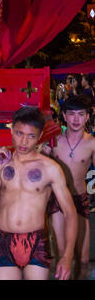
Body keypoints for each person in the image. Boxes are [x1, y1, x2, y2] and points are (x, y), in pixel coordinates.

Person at [0, 106, 77, 280]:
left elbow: (70, 213)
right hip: (4, 241)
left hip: (36, 243)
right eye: (19, 134)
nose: (24, 142)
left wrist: (67, 256)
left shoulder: (51, 169)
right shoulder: (2, 164)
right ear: (11, 129)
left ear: (40, 136)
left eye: (31, 136)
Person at [44, 95, 95, 279]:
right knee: (62, 254)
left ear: (88, 117)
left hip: (80, 200)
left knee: (82, 259)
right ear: (64, 116)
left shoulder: (92, 143)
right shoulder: (53, 141)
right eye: (71, 114)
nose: (75, 119)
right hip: (58, 201)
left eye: (80, 114)